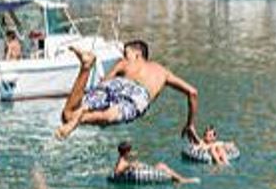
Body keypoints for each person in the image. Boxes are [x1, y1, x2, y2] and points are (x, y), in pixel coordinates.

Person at [56, 41, 200, 141]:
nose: (124, 56)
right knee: (108, 116)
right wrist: (190, 124)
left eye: (126, 53)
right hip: (139, 95)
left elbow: (104, 84)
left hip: (118, 84)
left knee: (68, 115)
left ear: (138, 53)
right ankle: (80, 117)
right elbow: (193, 92)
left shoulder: (123, 63)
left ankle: (86, 67)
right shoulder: (162, 72)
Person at [113, 141, 198, 184]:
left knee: (161, 166)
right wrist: (131, 166)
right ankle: (182, 179)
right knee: (162, 166)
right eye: (130, 151)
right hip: (142, 172)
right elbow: (117, 171)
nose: (131, 152)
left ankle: (177, 179)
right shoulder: (122, 163)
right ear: (127, 152)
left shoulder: (123, 159)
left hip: (143, 169)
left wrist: (133, 163)